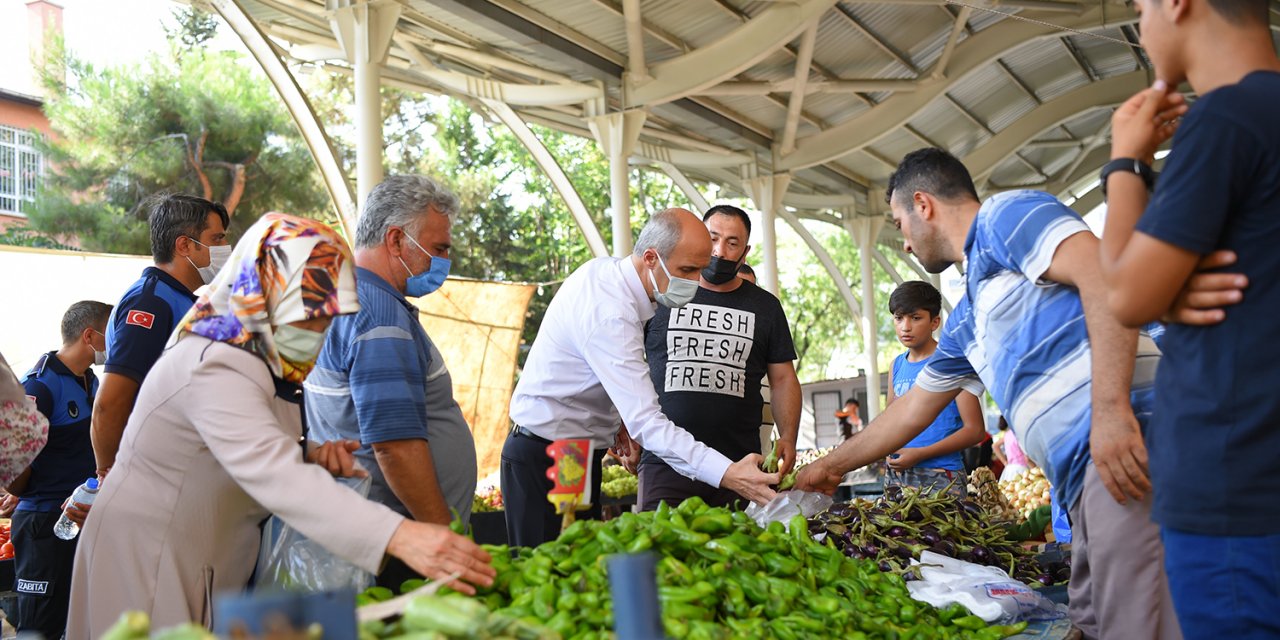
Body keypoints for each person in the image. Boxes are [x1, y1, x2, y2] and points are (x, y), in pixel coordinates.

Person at [794, 148, 1179, 640]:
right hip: (1085, 479)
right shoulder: (967, 316)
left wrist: (1110, 413)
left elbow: (1104, 276)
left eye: (899, 223)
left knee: (1142, 624)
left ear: (923, 204)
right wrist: (829, 467)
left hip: (1128, 447)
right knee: (1092, 620)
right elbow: (910, 410)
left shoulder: (1004, 217)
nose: (905, 244)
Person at [65, 214, 493, 638]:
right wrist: (400, 537)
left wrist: (308, 454)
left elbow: (241, 443)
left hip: (206, 551)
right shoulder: (216, 361)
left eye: (328, 317)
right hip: (152, 557)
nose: (319, 331)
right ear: (266, 292)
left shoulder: (258, 357)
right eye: (309, 314)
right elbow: (272, 472)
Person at [1097, 0, 1280, 635]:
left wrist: (1126, 162)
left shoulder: (1225, 119)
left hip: (1236, 489)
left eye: (1142, 7)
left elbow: (1123, 293)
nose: (1144, 25)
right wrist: (1168, 288)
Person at [505, 208, 779, 547]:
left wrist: (615, 420)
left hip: (572, 453)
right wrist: (727, 473)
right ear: (651, 258)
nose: (696, 282)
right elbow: (648, 423)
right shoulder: (610, 313)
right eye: (687, 270)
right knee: (544, 569)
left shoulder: (606, 274)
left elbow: (596, 377)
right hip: (545, 454)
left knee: (574, 560)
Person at [306, 175, 478, 589]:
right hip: (394, 546)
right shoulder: (380, 315)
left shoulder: (353, 297)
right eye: (438, 249)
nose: (443, 262)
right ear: (397, 240)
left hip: (370, 534)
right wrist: (444, 540)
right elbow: (395, 446)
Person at [637, 205, 800, 511]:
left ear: (746, 250)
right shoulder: (663, 292)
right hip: (665, 459)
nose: (720, 251)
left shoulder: (765, 307)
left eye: (732, 243)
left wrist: (788, 438)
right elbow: (627, 364)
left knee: (739, 555)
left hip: (743, 463)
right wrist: (621, 427)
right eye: (712, 238)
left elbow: (783, 379)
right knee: (656, 551)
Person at [93, 194, 230, 477]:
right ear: (185, 245)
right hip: (152, 474)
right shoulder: (151, 303)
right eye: (217, 239)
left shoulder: (181, 300)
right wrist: (110, 474)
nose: (225, 249)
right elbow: (110, 403)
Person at [7, 301, 111, 639]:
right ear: (90, 335)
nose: (117, 340)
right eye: (110, 332)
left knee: (79, 624)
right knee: (40, 627)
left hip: (80, 519)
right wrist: (19, 490)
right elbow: (11, 447)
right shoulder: (40, 384)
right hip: (44, 524)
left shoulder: (91, 381)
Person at [882, 281, 985, 498]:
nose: (905, 326)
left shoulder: (952, 362)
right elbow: (889, 423)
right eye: (899, 318)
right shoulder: (896, 365)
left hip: (941, 475)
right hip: (898, 475)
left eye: (915, 318)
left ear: (934, 322)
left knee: (942, 533)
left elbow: (974, 430)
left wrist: (920, 453)